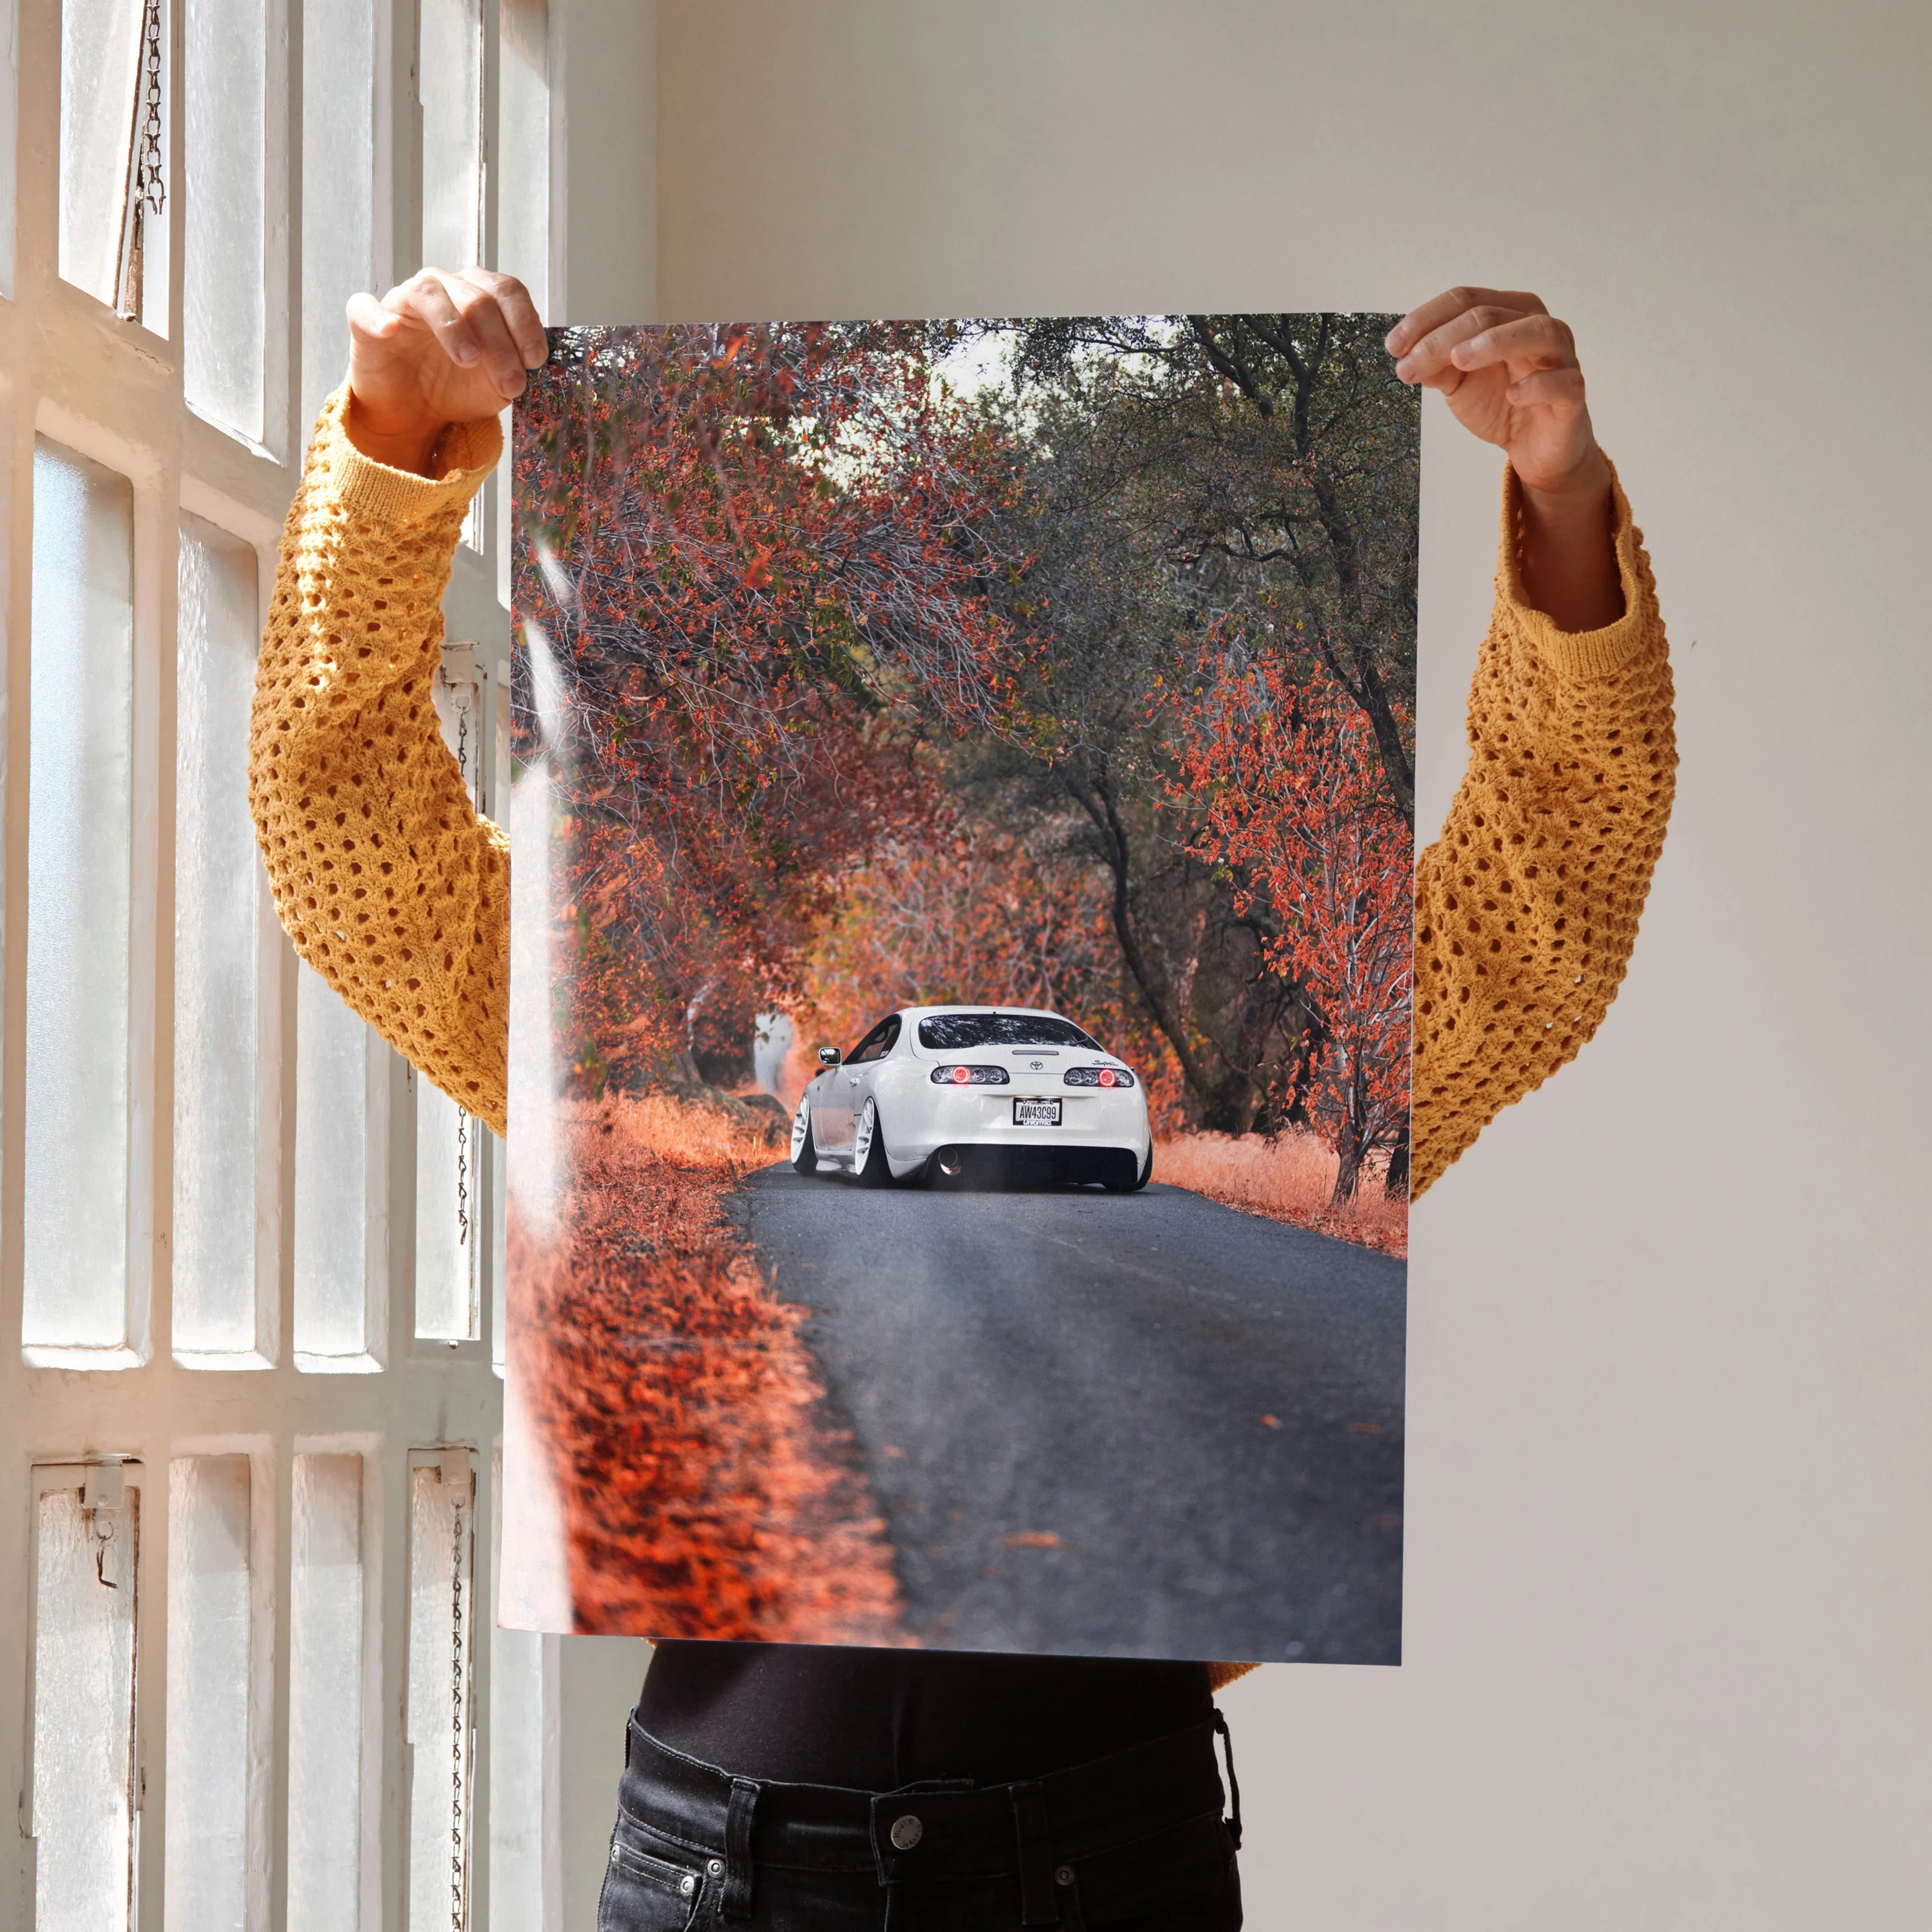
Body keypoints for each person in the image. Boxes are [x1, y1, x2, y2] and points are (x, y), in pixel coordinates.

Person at [249, 272, 1675, 1930]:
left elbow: (1545, 906)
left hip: (1103, 1849)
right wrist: (395, 442)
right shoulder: (586, 1052)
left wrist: (1560, 495)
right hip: (732, 1868)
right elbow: (343, 836)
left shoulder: (1189, 1090)